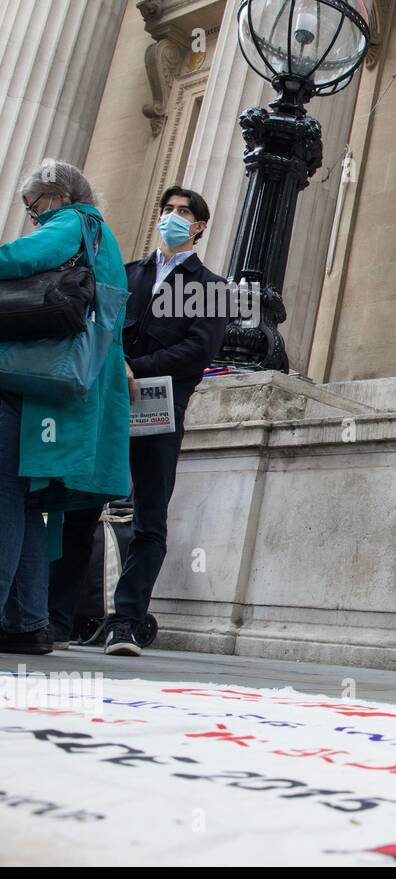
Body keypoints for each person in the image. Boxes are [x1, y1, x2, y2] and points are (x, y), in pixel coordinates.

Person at [47, 186, 228, 656]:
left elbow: (198, 351)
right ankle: (55, 619)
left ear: (200, 226)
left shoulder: (211, 288)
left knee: (150, 518)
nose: (172, 217)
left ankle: (125, 622)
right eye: (167, 209)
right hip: (107, 407)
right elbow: (99, 328)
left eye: (184, 212)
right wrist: (116, 364)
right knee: (80, 510)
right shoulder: (125, 275)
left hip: (161, 412)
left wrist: (135, 368)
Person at [0, 161, 131, 655]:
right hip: (68, 387)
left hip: (28, 383)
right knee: (29, 504)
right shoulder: (104, 237)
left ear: (53, 197)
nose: (33, 218)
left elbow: (25, 258)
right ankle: (28, 622)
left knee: (5, 495)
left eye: (33, 208)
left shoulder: (72, 222)